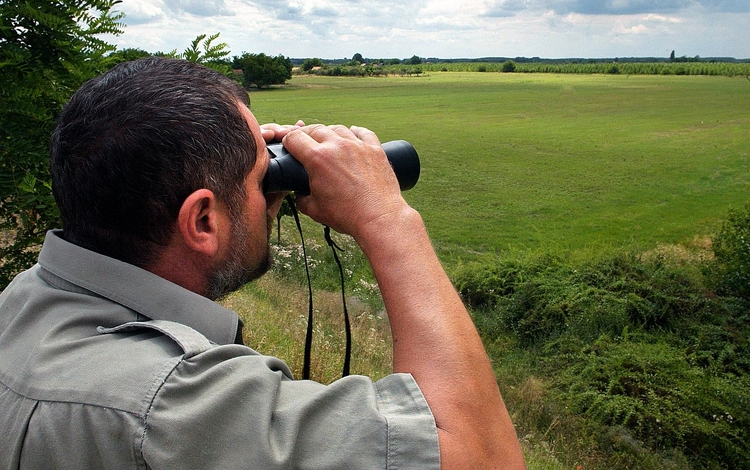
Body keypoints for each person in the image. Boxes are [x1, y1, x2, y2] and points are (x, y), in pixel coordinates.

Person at [0, 57, 525, 469]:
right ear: (203, 221)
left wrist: (237, 171)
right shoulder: (171, 408)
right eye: (263, 175)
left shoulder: (20, 303)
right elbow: (481, 457)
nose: (273, 186)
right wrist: (386, 216)